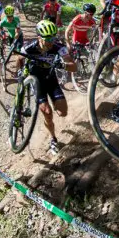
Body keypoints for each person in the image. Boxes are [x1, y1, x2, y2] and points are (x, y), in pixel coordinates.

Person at [19, 20, 76, 155]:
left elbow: (74, 66)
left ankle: (53, 110)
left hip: (51, 80)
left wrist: (63, 65)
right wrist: (21, 72)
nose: (51, 41)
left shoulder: (58, 47)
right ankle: (53, 138)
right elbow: (19, 59)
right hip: (36, 81)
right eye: (48, 38)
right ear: (39, 37)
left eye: (53, 37)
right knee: (47, 112)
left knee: (63, 113)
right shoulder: (29, 47)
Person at [0, 5, 23, 71]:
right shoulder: (3, 22)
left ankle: (19, 69)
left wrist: (14, 42)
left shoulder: (16, 20)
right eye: (8, 17)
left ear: (13, 15)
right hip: (11, 36)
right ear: (6, 16)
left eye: (11, 16)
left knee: (19, 53)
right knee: (12, 52)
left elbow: (17, 32)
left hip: (18, 37)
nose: (10, 18)